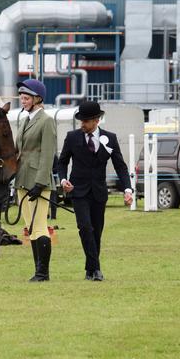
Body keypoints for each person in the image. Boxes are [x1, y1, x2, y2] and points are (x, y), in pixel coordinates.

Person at [57, 100, 133, 282]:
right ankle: (96, 269)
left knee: (96, 231)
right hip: (78, 191)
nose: (82, 124)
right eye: (80, 120)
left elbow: (120, 166)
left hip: (99, 192)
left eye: (85, 121)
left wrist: (128, 189)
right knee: (85, 228)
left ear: (96, 120)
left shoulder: (110, 138)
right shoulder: (72, 137)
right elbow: (62, 162)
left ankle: (90, 269)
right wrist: (63, 179)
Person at [14, 79, 56, 281]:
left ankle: (43, 273)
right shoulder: (24, 120)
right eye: (21, 97)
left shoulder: (46, 121)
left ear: (37, 99)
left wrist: (40, 183)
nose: (22, 100)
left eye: (26, 97)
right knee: (30, 226)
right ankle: (37, 270)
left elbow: (48, 154)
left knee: (39, 225)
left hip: (38, 180)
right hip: (22, 178)